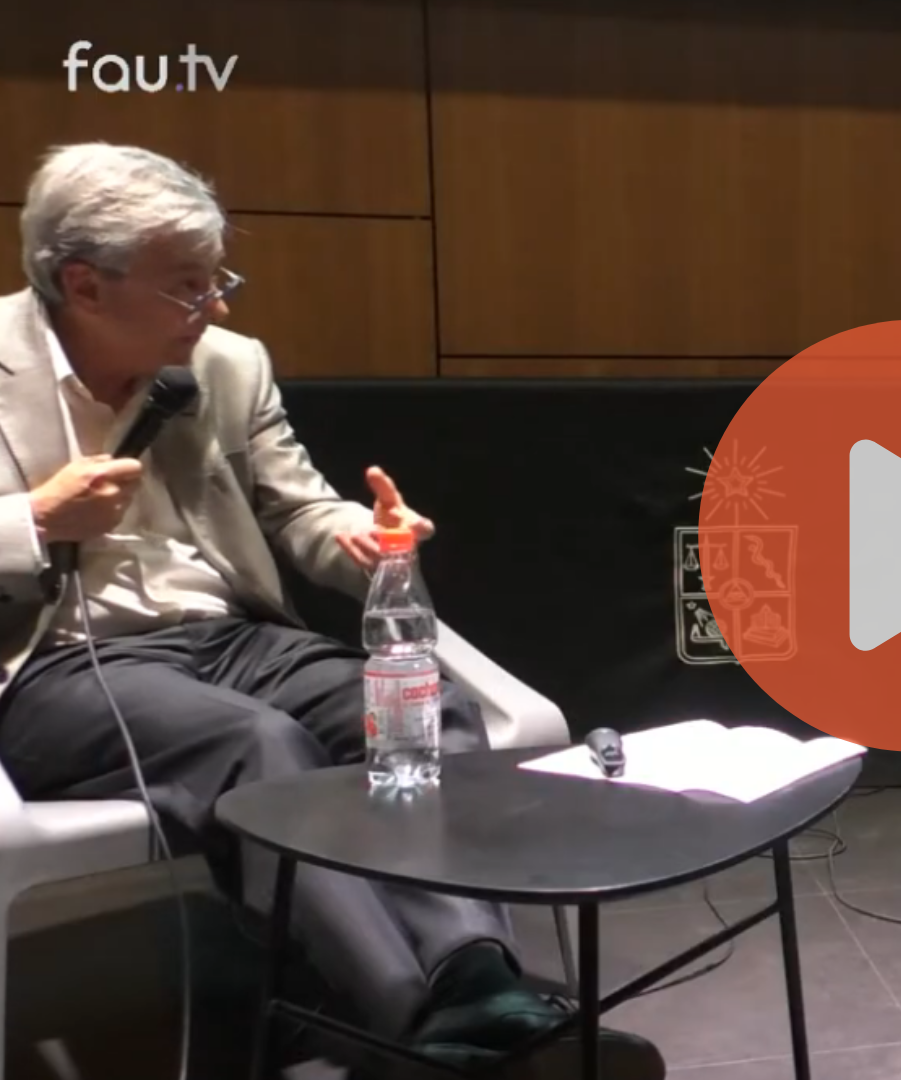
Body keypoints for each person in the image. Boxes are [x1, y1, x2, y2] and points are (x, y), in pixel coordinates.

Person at [0, 143, 663, 1077]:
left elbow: (299, 509)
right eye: (188, 286)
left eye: (219, 278)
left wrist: (360, 532)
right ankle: (410, 1032)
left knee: (415, 701)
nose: (216, 308)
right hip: (62, 663)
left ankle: (476, 981)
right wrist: (32, 521)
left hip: (229, 638)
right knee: (255, 745)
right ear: (84, 284)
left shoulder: (227, 366)